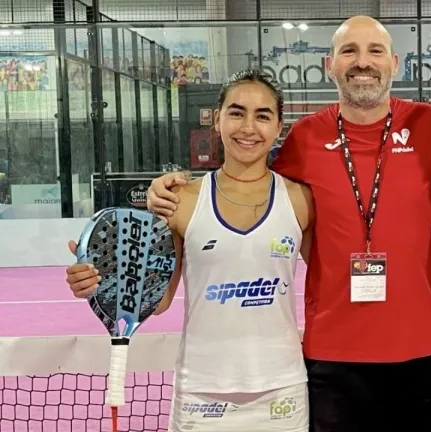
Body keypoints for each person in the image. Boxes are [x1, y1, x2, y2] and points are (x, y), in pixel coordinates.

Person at [143, 15, 431, 432]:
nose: (362, 62)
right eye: (349, 51)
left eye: (375, 51)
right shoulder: (304, 138)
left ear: (394, 63)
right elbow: (247, 176)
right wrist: (176, 189)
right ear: (330, 65)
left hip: (425, 353)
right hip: (333, 360)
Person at [64, 70, 314, 432]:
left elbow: (331, 283)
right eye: (236, 112)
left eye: (262, 116)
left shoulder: (301, 200)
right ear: (217, 120)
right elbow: (158, 299)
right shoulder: (181, 200)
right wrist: (98, 280)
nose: (248, 127)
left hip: (282, 390)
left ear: (278, 127)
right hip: (201, 391)